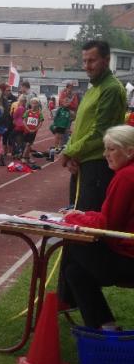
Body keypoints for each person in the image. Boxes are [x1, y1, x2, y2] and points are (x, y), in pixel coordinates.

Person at [60, 125, 134, 330]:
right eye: (105, 149)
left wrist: (74, 218)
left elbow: (107, 224)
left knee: (75, 246)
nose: (105, 154)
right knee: (75, 271)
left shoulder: (126, 176)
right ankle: (106, 328)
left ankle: (66, 302)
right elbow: (110, 217)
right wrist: (84, 216)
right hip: (127, 253)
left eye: (111, 149)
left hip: (129, 258)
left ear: (129, 151)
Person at [58, 40, 127, 212]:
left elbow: (100, 132)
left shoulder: (111, 89)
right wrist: (72, 153)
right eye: (84, 61)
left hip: (97, 166)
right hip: (83, 164)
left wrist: (69, 152)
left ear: (106, 60)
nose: (87, 66)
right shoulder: (93, 89)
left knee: (86, 221)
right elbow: (80, 128)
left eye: (92, 60)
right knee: (75, 215)